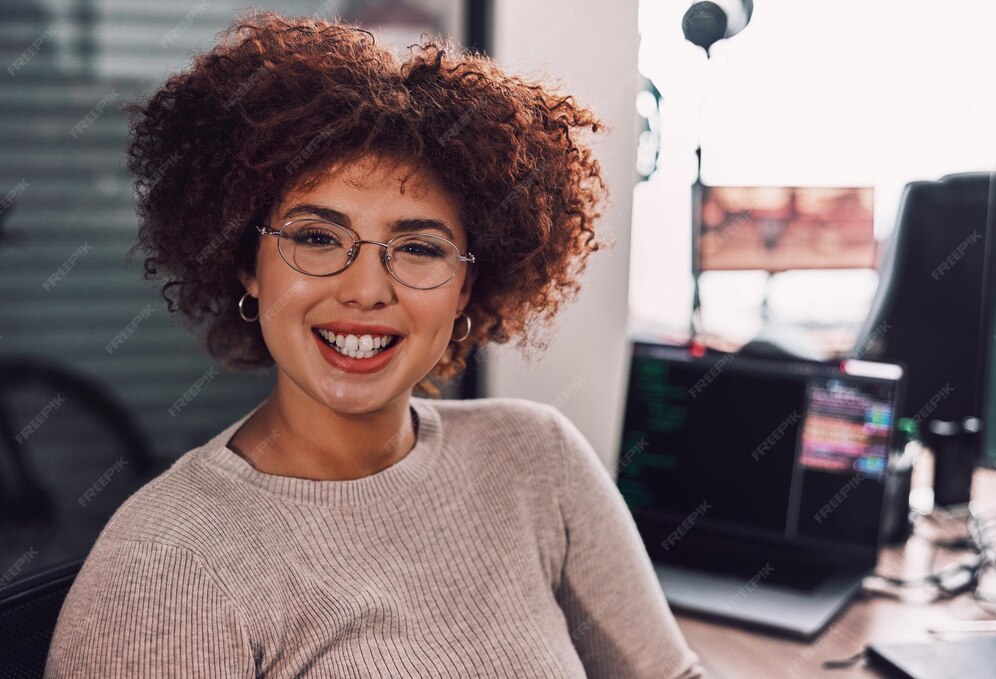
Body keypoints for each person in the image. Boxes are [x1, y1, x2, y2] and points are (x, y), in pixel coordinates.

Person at [45, 10, 702, 678]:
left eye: (418, 247)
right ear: (248, 260)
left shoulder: (537, 459)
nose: (366, 290)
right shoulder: (168, 564)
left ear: (467, 287)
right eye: (316, 237)